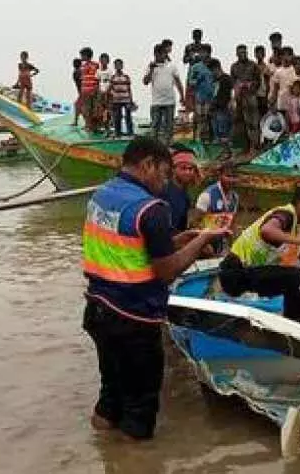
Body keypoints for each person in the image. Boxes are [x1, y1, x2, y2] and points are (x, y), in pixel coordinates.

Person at [83, 136, 229, 441]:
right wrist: (202, 240)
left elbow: (129, 248)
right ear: (148, 165)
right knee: (140, 411)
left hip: (97, 310)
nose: (166, 182)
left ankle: (103, 454)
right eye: (164, 174)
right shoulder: (151, 208)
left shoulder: (101, 195)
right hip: (133, 320)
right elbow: (167, 272)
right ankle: (134, 461)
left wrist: (177, 240)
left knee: (110, 398)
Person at [219, 184, 300, 323]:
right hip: (234, 274)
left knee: (298, 294)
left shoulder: (295, 225)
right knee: (296, 275)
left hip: (243, 274)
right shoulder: (286, 215)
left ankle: (293, 324)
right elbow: (266, 230)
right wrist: (297, 239)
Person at [143, 44, 185, 146]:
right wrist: (151, 70)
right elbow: (145, 81)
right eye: (156, 54)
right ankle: (154, 145)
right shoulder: (150, 67)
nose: (158, 56)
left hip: (169, 101)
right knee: (155, 125)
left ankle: (168, 145)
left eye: (160, 54)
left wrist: (182, 96)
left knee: (169, 125)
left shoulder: (171, 66)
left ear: (164, 54)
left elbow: (178, 82)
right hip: (156, 101)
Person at [195, 162, 240, 254]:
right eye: (228, 176)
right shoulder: (207, 195)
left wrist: (234, 248)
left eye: (234, 177)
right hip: (205, 246)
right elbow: (195, 223)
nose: (231, 180)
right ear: (220, 176)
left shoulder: (235, 197)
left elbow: (232, 224)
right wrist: (202, 245)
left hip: (221, 244)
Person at [159, 146, 200, 234]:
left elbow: (182, 226)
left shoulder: (185, 195)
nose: (188, 172)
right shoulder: (165, 192)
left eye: (191, 169)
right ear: (173, 169)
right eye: (183, 168)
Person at [230, 44, 262, 150]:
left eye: (244, 52)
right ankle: (244, 146)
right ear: (236, 54)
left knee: (254, 122)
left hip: (251, 96)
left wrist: (250, 85)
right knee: (240, 123)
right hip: (239, 97)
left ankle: (255, 145)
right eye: (240, 52)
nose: (242, 54)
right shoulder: (234, 67)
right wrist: (237, 87)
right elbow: (233, 82)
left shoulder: (253, 65)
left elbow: (259, 81)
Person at [188, 45, 215, 143]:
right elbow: (191, 82)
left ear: (209, 53)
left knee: (210, 119)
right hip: (199, 98)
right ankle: (199, 141)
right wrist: (199, 79)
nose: (201, 54)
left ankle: (210, 140)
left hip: (211, 98)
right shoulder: (196, 67)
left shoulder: (213, 65)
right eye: (200, 52)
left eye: (204, 52)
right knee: (199, 119)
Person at [209, 59, 234, 146]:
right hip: (216, 108)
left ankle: (227, 150)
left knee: (224, 131)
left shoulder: (227, 79)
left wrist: (231, 103)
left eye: (212, 70)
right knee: (217, 130)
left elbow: (232, 92)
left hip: (224, 108)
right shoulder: (215, 81)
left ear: (217, 68)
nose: (211, 73)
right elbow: (214, 94)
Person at [109, 59, 135, 137]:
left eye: (120, 65)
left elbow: (129, 89)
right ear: (115, 66)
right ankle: (118, 133)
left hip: (126, 99)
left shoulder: (126, 77)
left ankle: (130, 132)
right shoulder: (113, 77)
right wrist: (110, 101)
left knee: (128, 117)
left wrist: (131, 100)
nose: (118, 66)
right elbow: (111, 89)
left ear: (122, 66)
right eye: (117, 65)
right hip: (116, 100)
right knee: (117, 117)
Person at [269, 47, 299, 114]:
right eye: (284, 55)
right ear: (281, 57)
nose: (286, 57)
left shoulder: (295, 70)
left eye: (289, 55)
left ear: (292, 56)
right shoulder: (278, 71)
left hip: (294, 103)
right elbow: (275, 89)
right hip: (282, 103)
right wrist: (272, 102)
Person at [79, 47, 101, 132]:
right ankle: (88, 125)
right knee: (86, 109)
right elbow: (83, 79)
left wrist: (95, 89)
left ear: (86, 55)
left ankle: (95, 127)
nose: (81, 57)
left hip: (93, 90)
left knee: (95, 110)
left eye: (82, 55)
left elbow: (98, 78)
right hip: (85, 90)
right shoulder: (83, 66)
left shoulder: (95, 65)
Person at [97, 53, 114, 135]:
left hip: (108, 93)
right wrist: (99, 92)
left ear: (108, 61)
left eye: (105, 60)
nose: (103, 61)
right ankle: (103, 127)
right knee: (101, 110)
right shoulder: (98, 71)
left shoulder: (110, 71)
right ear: (100, 61)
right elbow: (97, 81)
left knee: (108, 111)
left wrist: (107, 91)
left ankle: (109, 128)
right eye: (102, 60)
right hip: (100, 93)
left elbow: (112, 82)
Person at [254, 45, 271, 117]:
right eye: (257, 53)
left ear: (264, 54)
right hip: (255, 94)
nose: (259, 55)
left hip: (264, 94)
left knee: (264, 114)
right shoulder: (253, 66)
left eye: (261, 53)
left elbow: (269, 81)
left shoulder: (267, 67)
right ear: (255, 55)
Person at [72, 58, 83, 126]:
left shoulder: (78, 71)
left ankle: (76, 122)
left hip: (83, 92)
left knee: (77, 105)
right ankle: (76, 121)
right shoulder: (77, 71)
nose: (74, 64)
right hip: (81, 92)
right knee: (78, 106)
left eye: (76, 63)